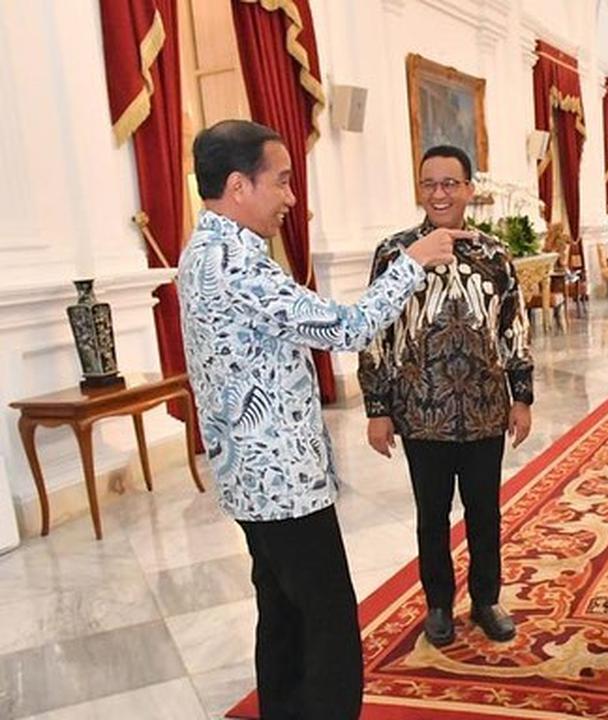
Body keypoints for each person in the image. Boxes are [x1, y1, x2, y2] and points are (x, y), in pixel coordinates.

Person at [178, 119, 457, 719]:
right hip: (280, 482)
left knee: (280, 610)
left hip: (248, 474)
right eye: (280, 182)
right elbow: (345, 328)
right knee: (327, 619)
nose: (289, 197)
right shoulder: (234, 261)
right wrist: (413, 263)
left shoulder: (202, 250)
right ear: (238, 185)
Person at [359, 145, 533, 648]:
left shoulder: (495, 254)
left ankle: (485, 600)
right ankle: (438, 604)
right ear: (420, 189)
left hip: (483, 410)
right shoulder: (395, 254)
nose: (440, 193)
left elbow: (514, 329)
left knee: (485, 512)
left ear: (469, 190)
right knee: (430, 515)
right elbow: (377, 333)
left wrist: (520, 396)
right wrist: (378, 409)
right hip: (420, 411)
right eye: (430, 183)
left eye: (450, 183)